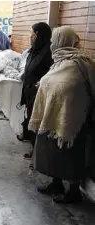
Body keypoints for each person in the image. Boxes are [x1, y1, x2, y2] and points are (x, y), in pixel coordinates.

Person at [29, 26, 95, 204]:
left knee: (71, 155)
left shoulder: (83, 63)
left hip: (73, 118)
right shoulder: (58, 61)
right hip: (53, 115)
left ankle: (74, 193)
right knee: (52, 153)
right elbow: (53, 82)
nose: (51, 45)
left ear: (62, 41)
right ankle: (56, 184)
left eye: (53, 41)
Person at [17, 22, 53, 159]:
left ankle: (39, 156)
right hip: (30, 94)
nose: (29, 36)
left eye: (31, 33)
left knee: (38, 125)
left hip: (39, 95)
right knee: (32, 123)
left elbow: (49, 74)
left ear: (37, 35)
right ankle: (35, 152)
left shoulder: (48, 52)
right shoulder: (35, 50)